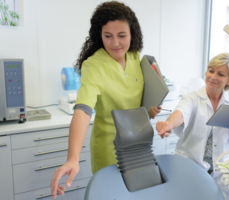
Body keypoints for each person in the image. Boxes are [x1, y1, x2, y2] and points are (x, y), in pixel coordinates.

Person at [51, 1, 161, 199]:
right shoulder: (94, 65)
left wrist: (150, 109)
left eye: (122, 36)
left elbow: (138, 103)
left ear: (132, 34)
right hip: (110, 149)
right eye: (107, 36)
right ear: (98, 35)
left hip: (139, 147)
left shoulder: (136, 57)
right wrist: (72, 158)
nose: (115, 43)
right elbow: (83, 109)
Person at [156, 53, 229, 199]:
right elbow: (181, 112)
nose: (213, 77)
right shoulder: (193, 98)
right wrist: (168, 124)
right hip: (191, 163)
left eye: (220, 74)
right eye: (211, 71)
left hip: (221, 167)